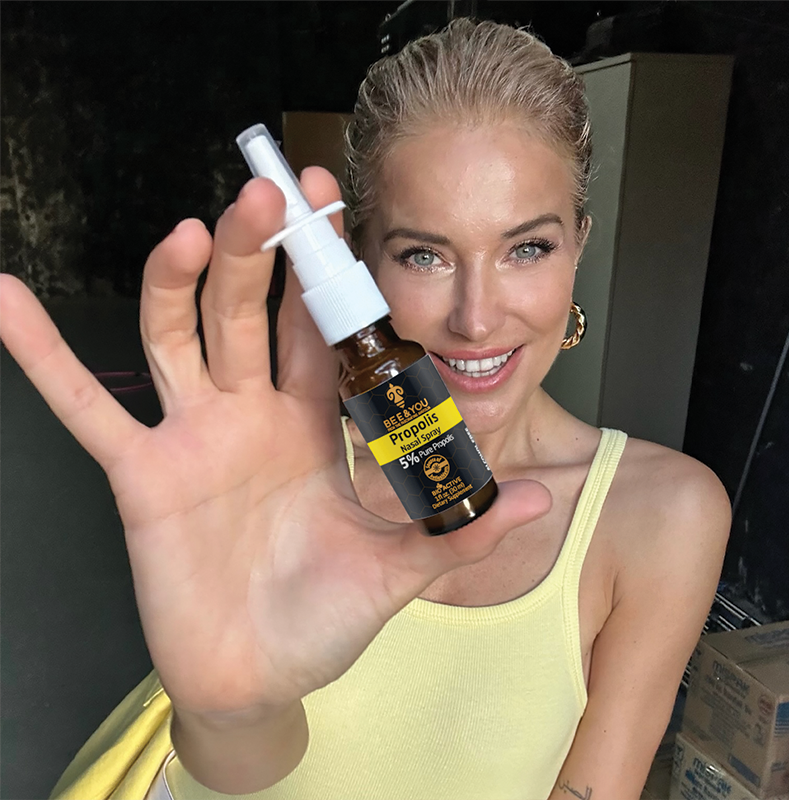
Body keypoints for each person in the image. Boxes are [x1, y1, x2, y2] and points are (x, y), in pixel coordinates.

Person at [0, 18, 730, 800]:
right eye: (424, 255)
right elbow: (233, 773)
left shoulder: (662, 516)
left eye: (527, 248)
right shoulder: (278, 485)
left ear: (578, 243)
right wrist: (232, 714)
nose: (476, 318)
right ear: (363, 259)